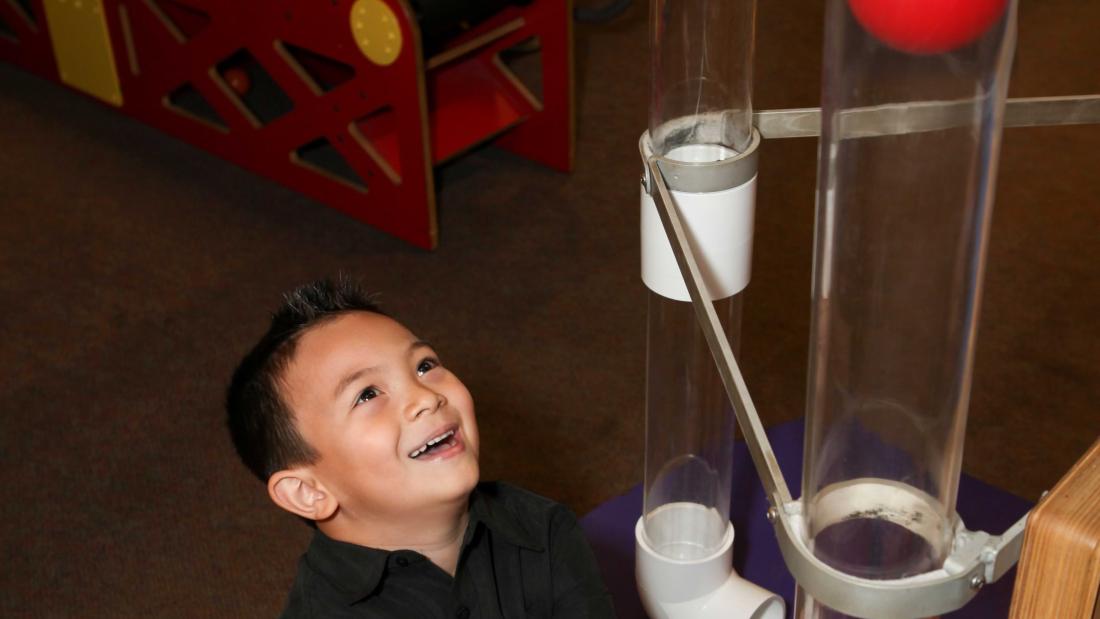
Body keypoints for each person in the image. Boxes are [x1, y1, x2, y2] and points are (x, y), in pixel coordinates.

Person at [226, 277, 614, 618]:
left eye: (424, 366)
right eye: (367, 394)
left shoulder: (541, 528)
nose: (425, 397)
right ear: (309, 492)